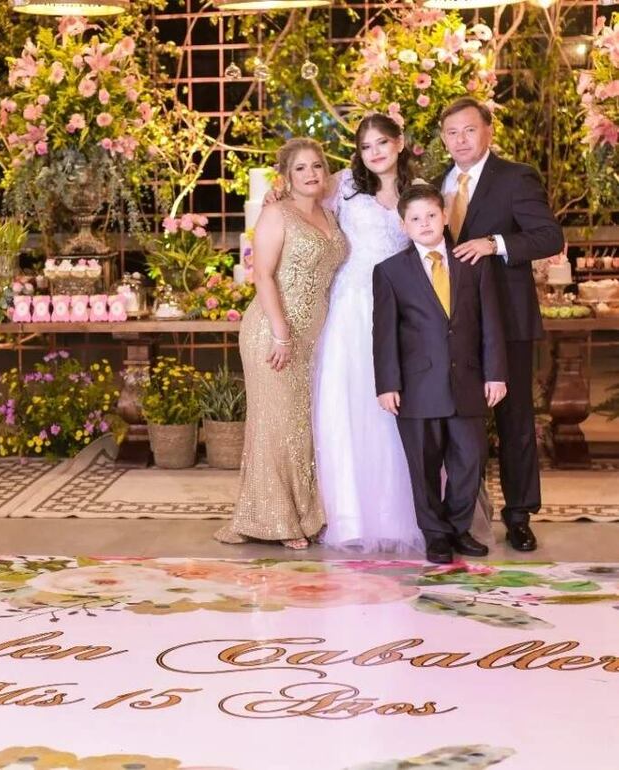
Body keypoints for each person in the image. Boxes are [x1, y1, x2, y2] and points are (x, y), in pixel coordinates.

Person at [437, 97, 565, 552]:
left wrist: (494, 243)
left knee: (514, 421)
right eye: (452, 132)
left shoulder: (514, 177)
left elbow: (549, 236)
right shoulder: (437, 183)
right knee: (457, 421)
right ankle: (462, 515)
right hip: (453, 323)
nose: (461, 140)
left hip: (507, 320)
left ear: (488, 131)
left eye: (469, 130)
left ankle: (519, 515)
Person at [215, 138, 346, 549]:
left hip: (311, 338)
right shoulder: (276, 213)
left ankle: (305, 514)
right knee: (276, 425)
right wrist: (281, 333)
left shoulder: (329, 213)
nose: (311, 174)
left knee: (301, 426)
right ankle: (276, 520)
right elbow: (262, 275)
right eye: (300, 168)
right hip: (273, 333)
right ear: (286, 177)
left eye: (317, 166)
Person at [372, 184, 508, 564]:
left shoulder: (472, 264)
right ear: (404, 226)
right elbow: (384, 334)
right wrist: (387, 384)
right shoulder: (390, 272)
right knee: (424, 465)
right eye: (415, 219)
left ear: (445, 217)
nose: (425, 223)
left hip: (467, 381)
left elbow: (491, 322)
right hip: (417, 387)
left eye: (431, 215)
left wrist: (495, 373)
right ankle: (435, 535)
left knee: (470, 459)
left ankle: (459, 528)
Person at [311, 114, 428, 552]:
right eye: (366, 146)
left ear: (400, 142)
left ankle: (401, 517)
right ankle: (350, 517)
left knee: (393, 409)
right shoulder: (344, 186)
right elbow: (303, 202)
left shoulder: (419, 191)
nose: (374, 152)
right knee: (349, 404)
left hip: (401, 307)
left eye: (382, 142)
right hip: (350, 306)